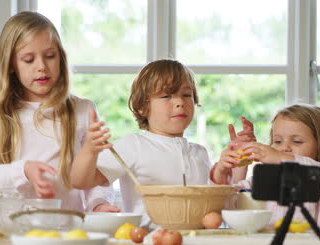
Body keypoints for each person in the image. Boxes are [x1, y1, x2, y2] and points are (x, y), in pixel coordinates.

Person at [0, 11, 119, 213]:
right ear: (11, 64)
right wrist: (24, 170)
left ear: (60, 57)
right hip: (9, 232)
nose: (42, 67)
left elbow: (96, 175)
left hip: (67, 229)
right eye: (29, 60)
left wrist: (98, 204)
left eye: (50, 56)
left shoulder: (83, 110)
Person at [71, 59, 215, 228]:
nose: (180, 102)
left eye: (186, 95)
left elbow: (217, 204)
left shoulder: (200, 153)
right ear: (142, 107)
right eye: (166, 96)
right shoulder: (133, 145)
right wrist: (89, 150)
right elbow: (80, 181)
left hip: (196, 244)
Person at [212, 104, 320, 231]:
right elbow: (225, 205)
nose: (284, 148)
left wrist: (281, 158)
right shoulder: (260, 182)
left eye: (297, 141)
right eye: (277, 141)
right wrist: (225, 171)